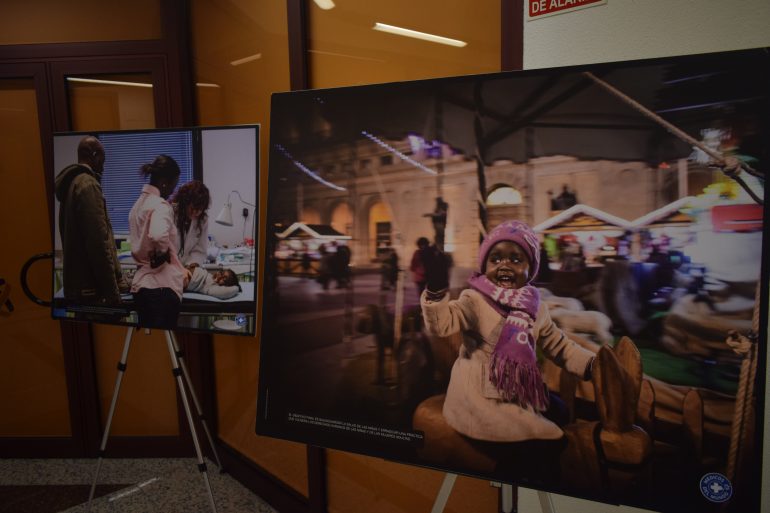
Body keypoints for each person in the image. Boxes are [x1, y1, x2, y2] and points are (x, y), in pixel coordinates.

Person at [420, 220, 595, 482]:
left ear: (530, 269)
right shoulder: (474, 300)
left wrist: (591, 364)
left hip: (517, 389)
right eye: (496, 258)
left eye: (516, 259)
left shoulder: (535, 306)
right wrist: (435, 293)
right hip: (481, 394)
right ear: (485, 265)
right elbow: (443, 323)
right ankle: (510, 485)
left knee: (560, 410)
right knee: (546, 444)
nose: (504, 265)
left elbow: (558, 344)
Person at [54, 136, 127, 305]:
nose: (103, 165)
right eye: (103, 159)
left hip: (78, 285)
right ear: (95, 156)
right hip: (90, 289)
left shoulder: (72, 183)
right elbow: (99, 245)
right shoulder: (88, 185)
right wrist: (113, 296)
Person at [129, 155, 185, 329]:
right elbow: (158, 235)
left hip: (141, 288)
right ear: (163, 183)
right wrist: (163, 253)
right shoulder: (160, 205)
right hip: (161, 289)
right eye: (173, 186)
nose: (172, 192)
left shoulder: (137, 205)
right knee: (167, 343)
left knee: (151, 344)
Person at [171, 180, 211, 266]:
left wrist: (191, 266)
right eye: (193, 208)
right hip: (168, 267)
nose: (195, 213)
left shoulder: (202, 220)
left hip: (187, 268)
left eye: (200, 209)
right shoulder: (171, 213)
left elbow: (200, 250)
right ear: (185, 202)